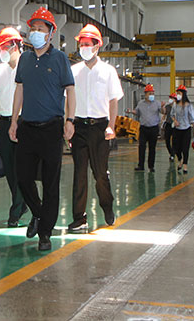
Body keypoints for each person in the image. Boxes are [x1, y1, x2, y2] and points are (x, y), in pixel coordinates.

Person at [10, 7, 75, 252]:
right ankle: (38, 213)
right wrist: (14, 121)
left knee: (50, 182)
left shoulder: (59, 59)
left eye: (40, 29)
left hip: (51, 128)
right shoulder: (25, 59)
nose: (35, 32)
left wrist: (70, 120)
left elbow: (70, 90)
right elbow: (19, 89)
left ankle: (45, 233)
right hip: (27, 127)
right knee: (23, 177)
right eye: (33, 28)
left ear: (50, 33)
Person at [68, 24, 123, 233]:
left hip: (100, 128)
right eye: (81, 44)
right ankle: (79, 218)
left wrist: (111, 126)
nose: (83, 48)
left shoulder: (108, 72)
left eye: (87, 44)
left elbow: (113, 101)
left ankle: (107, 206)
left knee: (100, 174)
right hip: (79, 127)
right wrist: (68, 123)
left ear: (97, 46)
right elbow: (68, 100)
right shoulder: (74, 71)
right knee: (79, 174)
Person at [0, 27, 28, 227]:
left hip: (23, 122)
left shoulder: (27, 67)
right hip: (4, 123)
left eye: (5, 47)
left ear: (16, 46)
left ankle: (16, 209)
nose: (2, 51)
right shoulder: (0, 70)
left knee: (21, 167)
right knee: (9, 168)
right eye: (0, 47)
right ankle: (21, 202)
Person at [128, 84, 163, 173]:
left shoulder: (157, 103)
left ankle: (151, 166)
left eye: (152, 93)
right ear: (146, 94)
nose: (151, 95)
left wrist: (163, 107)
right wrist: (131, 111)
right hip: (143, 128)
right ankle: (141, 165)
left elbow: (163, 112)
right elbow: (137, 112)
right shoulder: (140, 103)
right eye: (150, 93)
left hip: (153, 128)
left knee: (152, 148)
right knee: (141, 147)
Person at [171, 85, 194, 173]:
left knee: (185, 148)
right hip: (177, 129)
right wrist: (175, 121)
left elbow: (193, 118)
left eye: (179, 93)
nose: (178, 95)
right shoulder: (175, 105)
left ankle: (185, 165)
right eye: (177, 93)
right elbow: (172, 114)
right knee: (176, 147)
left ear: (184, 94)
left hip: (186, 129)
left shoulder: (189, 105)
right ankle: (180, 159)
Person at [161, 93, 177, 161]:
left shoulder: (177, 107)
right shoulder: (167, 106)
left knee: (174, 141)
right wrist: (162, 106)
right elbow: (164, 113)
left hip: (175, 125)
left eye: (172, 98)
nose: (170, 99)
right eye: (170, 98)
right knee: (167, 140)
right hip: (168, 124)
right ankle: (171, 153)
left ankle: (173, 154)